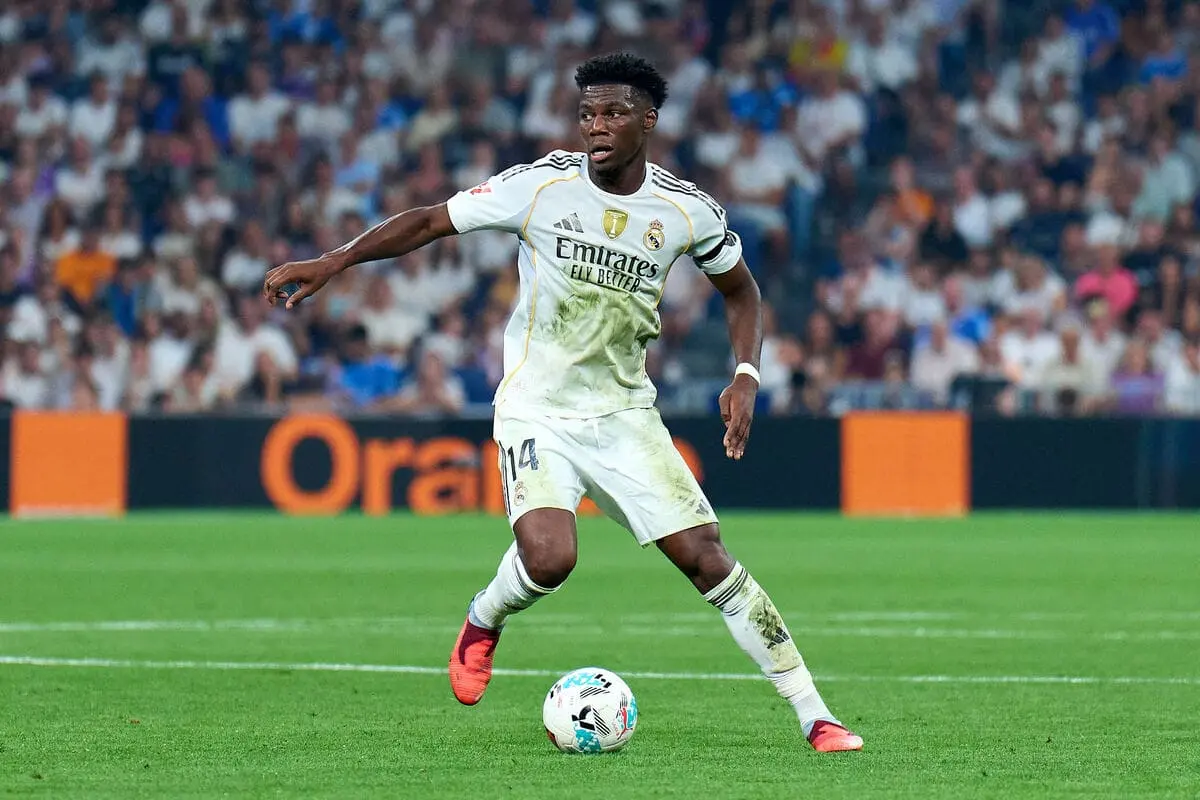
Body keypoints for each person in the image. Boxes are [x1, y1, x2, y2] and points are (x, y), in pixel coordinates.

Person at [263, 53, 862, 753]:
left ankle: (815, 715)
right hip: (537, 408)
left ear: (649, 119)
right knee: (549, 558)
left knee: (707, 556)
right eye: (586, 115)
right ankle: (484, 618)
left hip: (624, 413)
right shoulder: (540, 187)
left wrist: (747, 374)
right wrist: (333, 262)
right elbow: (429, 221)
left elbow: (742, 290)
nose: (596, 127)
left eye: (612, 114)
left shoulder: (685, 209)